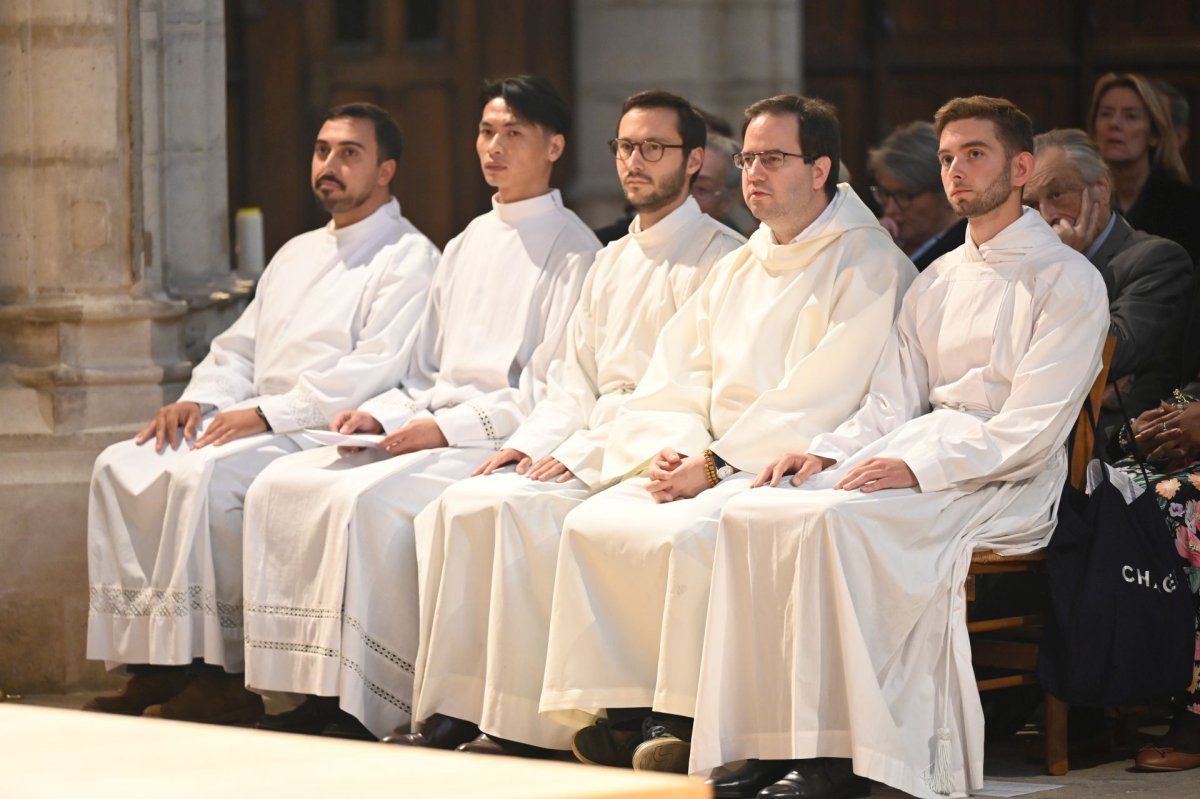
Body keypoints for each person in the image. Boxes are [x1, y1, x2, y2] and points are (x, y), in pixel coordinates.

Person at [691, 96, 1109, 799]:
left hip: (1000, 477)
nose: (955, 170)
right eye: (947, 157)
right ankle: (771, 739)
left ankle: (846, 757)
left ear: (1023, 167)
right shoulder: (940, 277)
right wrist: (822, 452)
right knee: (758, 508)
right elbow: (891, 399)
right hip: (921, 449)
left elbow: (1033, 426)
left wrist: (918, 466)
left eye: (975, 153)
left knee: (838, 523)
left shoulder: (1068, 280)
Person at [538, 95, 917, 773]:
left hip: (791, 463)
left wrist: (714, 465)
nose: (753, 172)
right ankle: (620, 708)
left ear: (822, 168)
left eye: (774, 157)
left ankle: (680, 716)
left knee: (693, 533)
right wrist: (676, 445)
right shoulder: (743, 263)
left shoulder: (866, 262)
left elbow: (823, 393)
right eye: (747, 157)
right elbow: (681, 369)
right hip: (715, 454)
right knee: (594, 521)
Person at [240, 75, 599, 740]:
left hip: (490, 437)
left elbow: (552, 389)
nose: (494, 147)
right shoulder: (465, 242)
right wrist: (382, 414)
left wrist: (443, 426)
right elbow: (425, 370)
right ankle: (307, 692)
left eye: (513, 134)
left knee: (368, 506)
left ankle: (382, 701)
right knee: (284, 483)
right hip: (430, 425)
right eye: (487, 131)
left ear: (554, 146)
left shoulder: (574, 251)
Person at [399, 90, 746, 758]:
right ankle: (458, 702)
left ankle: (529, 725)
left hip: (650, 448)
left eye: (653, 148)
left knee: (518, 517)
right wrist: (529, 444)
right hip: (591, 437)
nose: (634, 162)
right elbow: (571, 380)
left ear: (694, 159)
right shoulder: (613, 257)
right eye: (624, 147)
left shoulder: (720, 259)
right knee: (469, 499)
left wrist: (589, 455)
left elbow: (694, 392)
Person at [83, 103, 439, 722]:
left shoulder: (409, 257)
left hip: (320, 431)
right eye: (323, 149)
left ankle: (227, 675)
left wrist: (269, 415)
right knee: (122, 464)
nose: (330, 164)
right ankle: (159, 664)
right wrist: (202, 398)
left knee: (212, 482)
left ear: (386, 171)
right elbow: (240, 345)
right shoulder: (297, 251)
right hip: (253, 418)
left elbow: (374, 368)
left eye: (349, 153)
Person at [1025, 128, 1192, 428]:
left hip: (1115, 452)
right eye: (1033, 204)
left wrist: (1066, 265)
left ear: (1101, 189)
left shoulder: (1156, 258)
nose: (1046, 215)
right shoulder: (1026, 267)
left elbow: (1111, 356)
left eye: (1057, 194)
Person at [1089, 72, 1200, 263]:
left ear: (1154, 135)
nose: (1114, 124)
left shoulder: (1188, 207)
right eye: (1106, 114)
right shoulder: (1080, 199)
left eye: (1131, 116)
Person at [868, 121, 967, 271]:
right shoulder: (889, 242)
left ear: (946, 191)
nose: (890, 209)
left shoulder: (964, 255)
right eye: (885, 194)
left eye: (904, 196)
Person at [691, 133, 745, 232]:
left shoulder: (731, 246)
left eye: (701, 189)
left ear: (727, 202)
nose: (685, 197)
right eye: (682, 183)